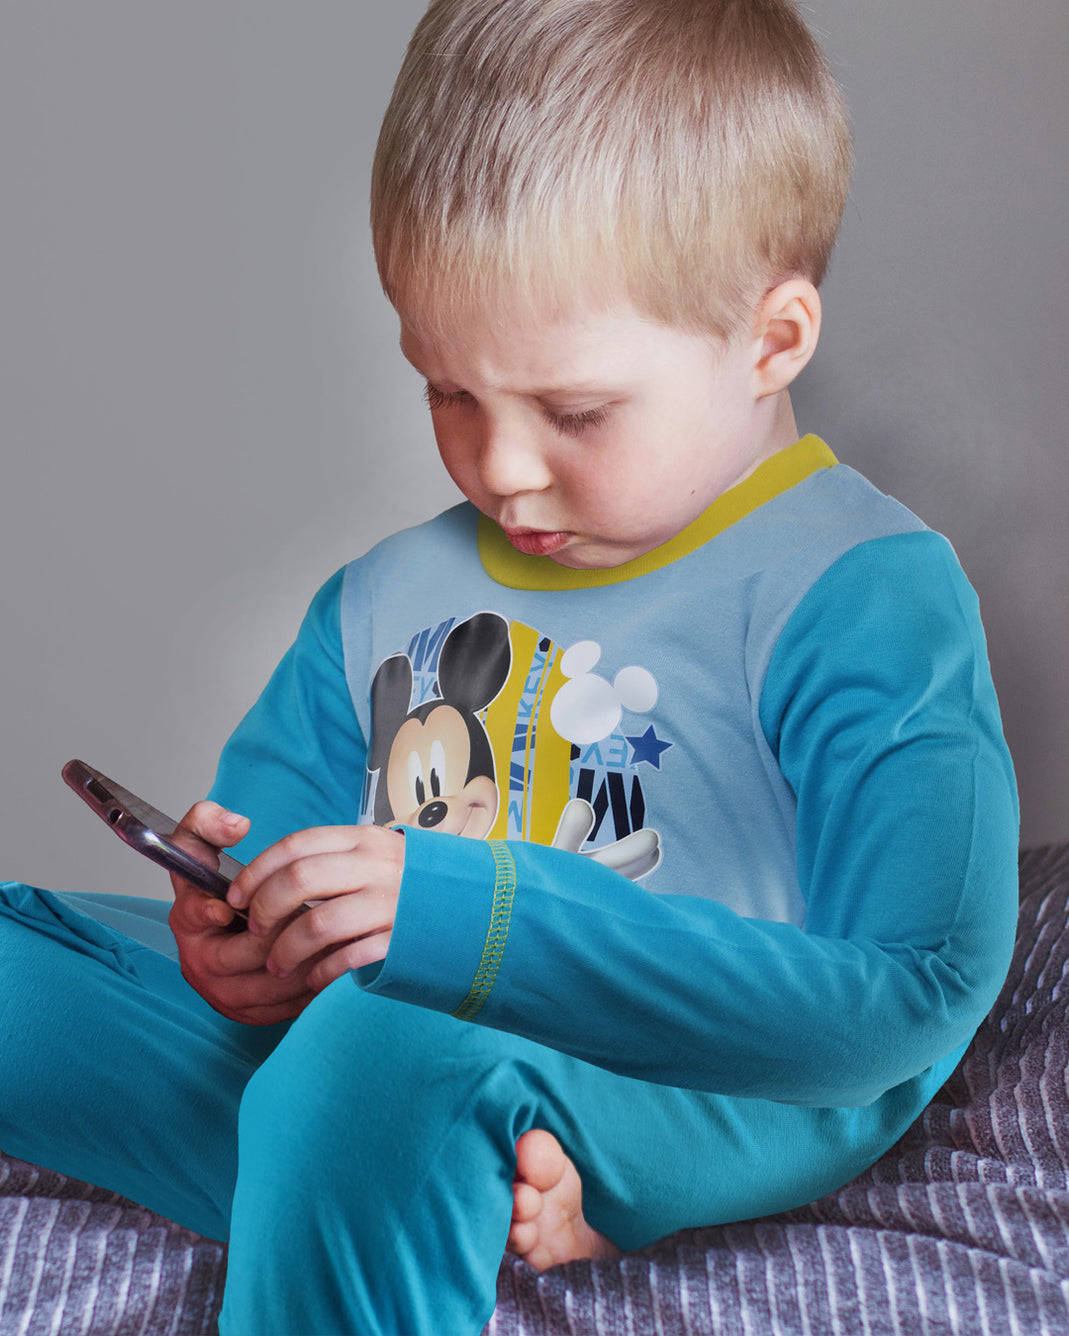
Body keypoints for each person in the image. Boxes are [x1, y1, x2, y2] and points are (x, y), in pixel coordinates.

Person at [0, 1, 1020, 1333]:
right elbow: (280, 853)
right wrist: (238, 942)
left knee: (385, 1053)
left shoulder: (861, 588)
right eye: (447, 390)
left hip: (691, 1088)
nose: (500, 467)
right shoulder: (382, 597)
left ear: (770, 340)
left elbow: (909, 995)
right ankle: (390, 1189)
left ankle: (430, 1176)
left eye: (574, 410)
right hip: (361, 1076)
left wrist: (466, 918)